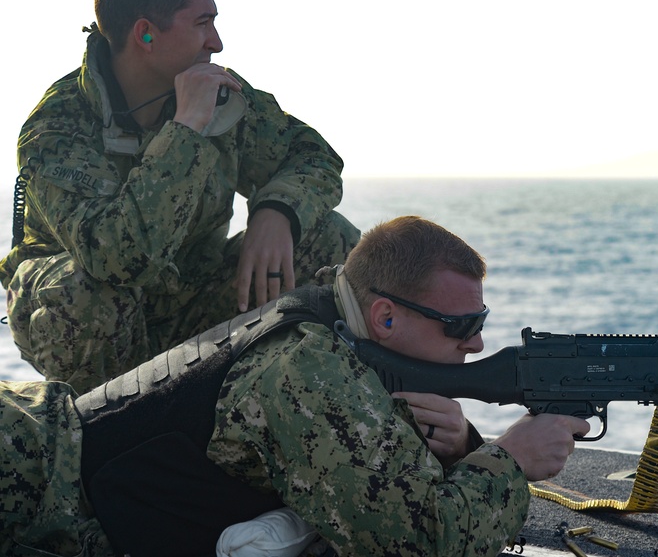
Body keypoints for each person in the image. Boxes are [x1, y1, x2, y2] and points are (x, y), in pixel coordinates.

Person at [0, 216, 589, 556]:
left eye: (480, 323)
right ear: (384, 317)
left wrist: (465, 447)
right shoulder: (309, 372)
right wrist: (508, 463)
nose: (477, 344)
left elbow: (374, 459)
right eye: (460, 326)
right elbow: (415, 544)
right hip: (32, 489)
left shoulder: (326, 319)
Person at [0, 0, 360, 392]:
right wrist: (186, 128)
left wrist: (277, 212)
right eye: (202, 23)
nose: (217, 42)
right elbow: (115, 260)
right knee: (85, 290)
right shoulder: (57, 127)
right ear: (146, 35)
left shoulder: (219, 92)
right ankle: (107, 435)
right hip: (88, 319)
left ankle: (292, 398)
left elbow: (313, 155)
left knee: (329, 237)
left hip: (188, 295)